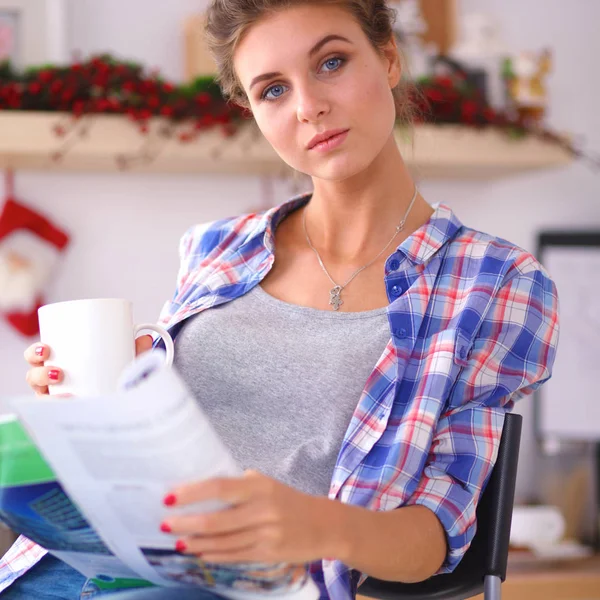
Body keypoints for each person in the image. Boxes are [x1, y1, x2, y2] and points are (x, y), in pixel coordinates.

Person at [0, 1, 560, 599]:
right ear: (252, 111)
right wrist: (89, 405)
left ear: (389, 58)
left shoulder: (497, 283)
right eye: (272, 90)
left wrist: (317, 525)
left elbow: (436, 542)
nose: (307, 107)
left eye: (332, 62)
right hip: (62, 570)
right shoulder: (218, 246)